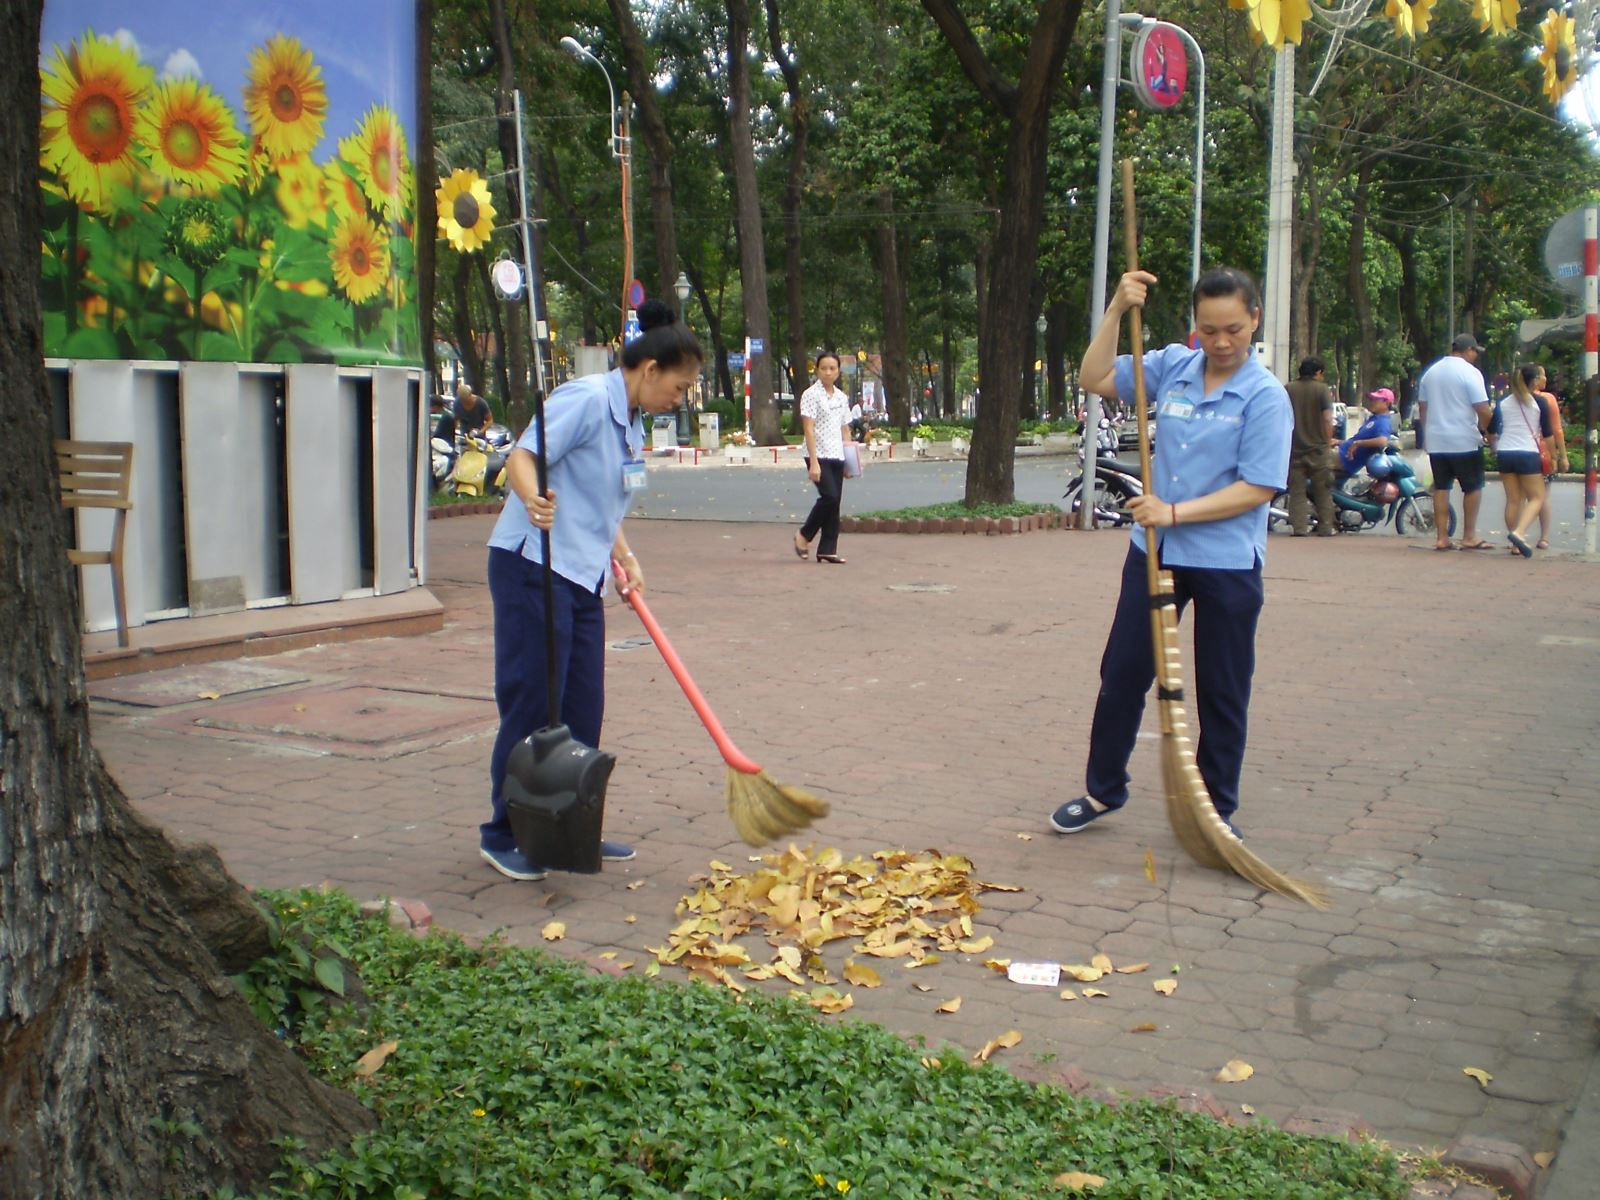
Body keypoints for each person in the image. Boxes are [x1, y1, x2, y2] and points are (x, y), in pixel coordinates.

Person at [1048, 267, 1291, 839]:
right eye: (1209, 330)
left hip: (1226, 562)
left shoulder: (1265, 397)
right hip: (1155, 553)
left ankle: (1215, 811)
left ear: (1254, 319)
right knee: (1124, 673)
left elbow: (1258, 487)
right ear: (1195, 328)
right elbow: (1095, 375)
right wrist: (1115, 309)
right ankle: (1102, 791)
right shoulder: (1174, 368)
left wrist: (1174, 513)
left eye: (1233, 329)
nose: (1222, 342)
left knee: (1221, 686)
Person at [478, 300, 703, 880]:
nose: (679, 401)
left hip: (583, 574)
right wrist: (531, 500)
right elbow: (523, 456)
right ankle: (503, 834)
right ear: (649, 370)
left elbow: (604, 502)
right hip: (534, 565)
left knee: (582, 707)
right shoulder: (584, 400)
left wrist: (624, 556)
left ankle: (567, 829)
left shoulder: (628, 422)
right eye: (678, 388)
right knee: (534, 704)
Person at [1417, 332, 1493, 551]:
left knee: (1441, 487)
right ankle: (1469, 535)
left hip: (1437, 441)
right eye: (1475, 352)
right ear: (1468, 350)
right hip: (1464, 440)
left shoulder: (1430, 373)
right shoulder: (1471, 373)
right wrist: (1491, 433)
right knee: (1472, 487)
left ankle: (1442, 537)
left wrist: (1427, 433)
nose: (1476, 357)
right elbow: (1482, 408)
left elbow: (1423, 408)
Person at [792, 351, 858, 565]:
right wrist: (813, 462)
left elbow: (845, 429)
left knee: (835, 502)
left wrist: (850, 462)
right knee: (828, 497)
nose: (828, 372)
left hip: (837, 454)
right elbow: (808, 429)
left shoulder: (841, 397)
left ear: (838, 371)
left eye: (832, 368)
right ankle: (804, 536)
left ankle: (828, 549)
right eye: (824, 368)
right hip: (817, 453)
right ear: (817, 370)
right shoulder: (811, 395)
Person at [1490, 363, 1555, 558]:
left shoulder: (1503, 402)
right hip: (1527, 452)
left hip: (1505, 453)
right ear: (1534, 380)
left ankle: (1515, 546)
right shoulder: (1538, 402)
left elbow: (1492, 430)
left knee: (1513, 499)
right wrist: (1553, 457)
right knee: (1538, 497)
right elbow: (1548, 434)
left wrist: (1495, 448)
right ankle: (1519, 533)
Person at [1284, 356, 1337, 536]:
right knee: (1323, 490)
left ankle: (1299, 528)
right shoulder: (1322, 390)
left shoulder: (1288, 389)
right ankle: (1326, 527)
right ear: (1318, 373)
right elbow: (1327, 418)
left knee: (1296, 492)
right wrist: (1328, 441)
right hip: (1319, 449)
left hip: (1294, 448)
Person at [1533, 369, 1566, 549]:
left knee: (1518, 497)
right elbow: (1556, 430)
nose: (1545, 378)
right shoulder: (1548, 399)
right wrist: (1562, 456)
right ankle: (1544, 538)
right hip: (1543, 453)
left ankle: (1516, 535)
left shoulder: (1514, 398)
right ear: (1536, 379)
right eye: (1542, 375)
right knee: (1543, 496)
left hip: (1520, 452)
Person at [1337, 387, 1396, 478]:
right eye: (1372, 399)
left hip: (1343, 459)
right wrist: (1337, 442)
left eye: (1376, 400)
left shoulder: (1383, 421)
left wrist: (1358, 443)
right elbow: (1356, 439)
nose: (1372, 402)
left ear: (1386, 403)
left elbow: (1382, 441)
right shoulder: (1373, 419)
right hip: (1341, 452)